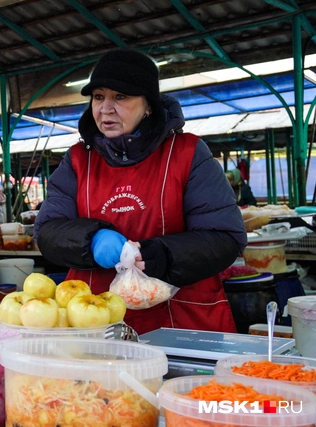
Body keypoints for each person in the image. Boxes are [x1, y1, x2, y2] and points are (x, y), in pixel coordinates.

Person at [35, 48, 247, 335]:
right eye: (99, 97)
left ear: (148, 105)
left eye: (120, 97)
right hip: (96, 319)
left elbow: (225, 237)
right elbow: (47, 231)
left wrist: (166, 255)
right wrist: (91, 240)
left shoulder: (187, 153)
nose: (105, 108)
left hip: (180, 317)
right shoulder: (77, 161)